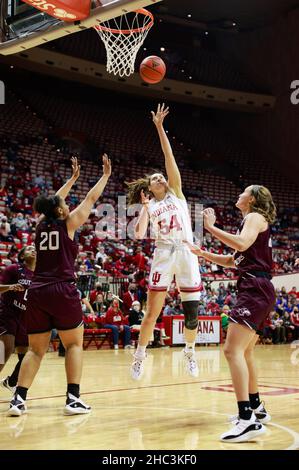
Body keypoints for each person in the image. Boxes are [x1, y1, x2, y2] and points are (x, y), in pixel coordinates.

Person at [7, 155, 111, 416]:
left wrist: (72, 179)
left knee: (35, 350)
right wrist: (105, 177)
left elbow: (54, 200)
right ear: (61, 210)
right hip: (62, 289)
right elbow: (90, 199)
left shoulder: (40, 227)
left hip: (38, 291)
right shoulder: (69, 224)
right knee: (74, 344)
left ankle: (18, 400)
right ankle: (73, 399)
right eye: (63, 204)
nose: (65, 204)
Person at [185, 185, 276, 442]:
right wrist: (203, 253)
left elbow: (242, 243)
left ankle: (246, 419)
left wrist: (211, 228)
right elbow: (231, 260)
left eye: (244, 192)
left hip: (255, 289)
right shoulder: (252, 222)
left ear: (253, 199)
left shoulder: (254, 217)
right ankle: (256, 408)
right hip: (259, 287)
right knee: (245, 352)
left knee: (231, 351)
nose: (239, 195)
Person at [127, 104, 201, 380]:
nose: (161, 177)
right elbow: (137, 234)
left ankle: (190, 351)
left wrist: (159, 127)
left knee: (192, 313)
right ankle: (139, 355)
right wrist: (145, 209)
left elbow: (168, 156)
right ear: (151, 189)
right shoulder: (151, 207)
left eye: (162, 176)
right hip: (163, 255)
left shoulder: (177, 194)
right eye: (156, 178)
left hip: (186, 253)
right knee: (151, 313)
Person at [0, 246, 36, 393]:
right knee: (7, 348)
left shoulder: (40, 276)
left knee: (27, 355)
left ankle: (11, 381)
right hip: (7, 313)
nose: (33, 250)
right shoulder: (14, 269)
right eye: (28, 249)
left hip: (25, 318)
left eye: (35, 249)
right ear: (22, 256)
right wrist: (11, 287)